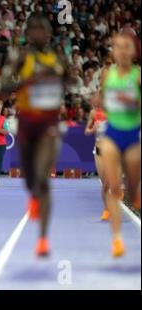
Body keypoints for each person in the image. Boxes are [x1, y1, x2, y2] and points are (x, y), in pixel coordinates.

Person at [0, 13, 71, 257]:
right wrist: (31, 79)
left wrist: (60, 74)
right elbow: (2, 88)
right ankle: (32, 193)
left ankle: (42, 240)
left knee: (43, 177)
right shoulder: (19, 56)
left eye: (45, 31)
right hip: (27, 123)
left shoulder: (58, 56)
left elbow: (72, 83)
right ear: (29, 34)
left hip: (48, 125)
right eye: (37, 31)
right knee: (30, 179)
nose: (42, 35)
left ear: (49, 34)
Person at [95, 31, 141, 257]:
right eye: (117, 46)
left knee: (132, 191)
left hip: (133, 136)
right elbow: (102, 99)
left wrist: (132, 101)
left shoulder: (138, 75)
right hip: (112, 134)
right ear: (113, 50)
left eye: (126, 47)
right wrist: (99, 101)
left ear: (133, 51)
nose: (121, 51)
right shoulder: (107, 74)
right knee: (113, 187)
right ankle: (116, 240)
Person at [85, 97, 124, 221]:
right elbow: (86, 131)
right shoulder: (94, 113)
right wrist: (93, 129)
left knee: (111, 182)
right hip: (98, 151)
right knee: (105, 185)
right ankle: (107, 209)